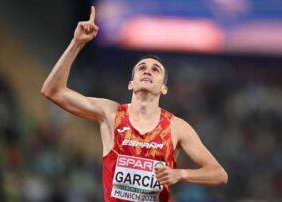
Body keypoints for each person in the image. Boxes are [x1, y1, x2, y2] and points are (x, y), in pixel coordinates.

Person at [41, 6, 228, 202]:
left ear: (164, 88)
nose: (148, 71)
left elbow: (219, 174)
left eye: (156, 70)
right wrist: (76, 44)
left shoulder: (176, 127)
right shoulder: (111, 113)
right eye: (142, 68)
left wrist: (180, 174)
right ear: (131, 83)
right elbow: (52, 91)